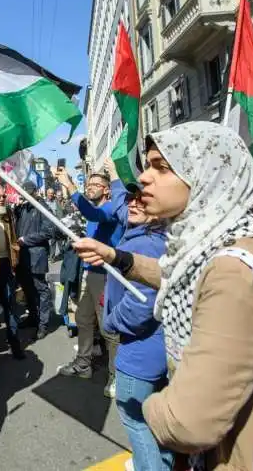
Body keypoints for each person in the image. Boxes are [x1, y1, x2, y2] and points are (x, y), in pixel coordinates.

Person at [73, 121, 253, 470]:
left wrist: (141, 403)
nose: (146, 177)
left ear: (207, 175)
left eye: (162, 167)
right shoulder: (220, 243)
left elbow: (189, 422)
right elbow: (180, 273)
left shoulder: (231, 264)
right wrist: (117, 258)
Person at [101, 189, 171, 471]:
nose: (133, 202)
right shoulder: (143, 234)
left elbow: (143, 304)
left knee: (135, 420)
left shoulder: (145, 242)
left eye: (142, 197)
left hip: (141, 348)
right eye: (130, 196)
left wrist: (110, 321)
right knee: (155, 423)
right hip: (153, 346)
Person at [56, 163, 127, 395]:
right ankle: (83, 364)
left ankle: (116, 376)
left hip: (106, 276)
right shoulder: (96, 209)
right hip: (89, 273)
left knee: (109, 328)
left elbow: (92, 213)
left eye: (95, 185)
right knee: (84, 319)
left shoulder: (111, 209)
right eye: (89, 185)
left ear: (107, 190)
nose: (90, 188)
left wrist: (71, 187)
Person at [15, 180, 56, 341]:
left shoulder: (42, 207)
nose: (23, 194)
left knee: (41, 290)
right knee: (27, 289)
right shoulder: (22, 208)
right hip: (22, 257)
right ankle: (33, 316)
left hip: (36, 256)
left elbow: (48, 232)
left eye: (26, 191)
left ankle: (43, 324)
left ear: (33, 192)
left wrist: (26, 239)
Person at [0, 185, 25, 359]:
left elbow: (13, 238)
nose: (1, 199)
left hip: (7, 264)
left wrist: (14, 258)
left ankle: (14, 342)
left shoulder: (9, 214)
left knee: (10, 303)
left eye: (3, 196)